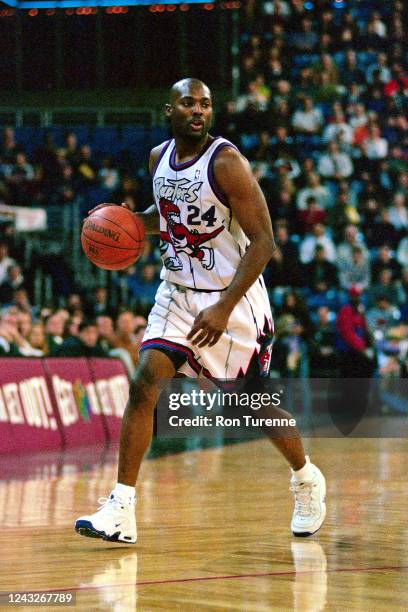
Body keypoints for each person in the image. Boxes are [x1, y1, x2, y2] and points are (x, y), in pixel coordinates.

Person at [75, 78, 326, 544]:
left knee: (252, 402)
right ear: (169, 109)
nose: (198, 110)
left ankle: (307, 478)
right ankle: (122, 508)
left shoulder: (227, 163)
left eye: (206, 104)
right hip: (177, 291)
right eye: (188, 103)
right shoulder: (158, 159)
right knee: (145, 380)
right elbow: (167, 218)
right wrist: (119, 222)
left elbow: (265, 241)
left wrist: (224, 305)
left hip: (230, 296)